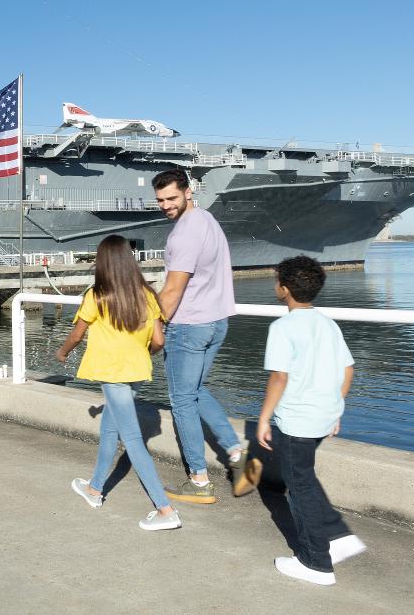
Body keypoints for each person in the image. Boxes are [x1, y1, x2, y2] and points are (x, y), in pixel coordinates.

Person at [55, 235, 181, 531]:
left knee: (133, 441)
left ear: (102, 263)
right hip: (137, 372)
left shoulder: (97, 295)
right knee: (109, 428)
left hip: (112, 374)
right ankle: (95, 489)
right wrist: (139, 354)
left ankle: (165, 509)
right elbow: (159, 341)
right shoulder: (147, 295)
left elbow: (77, 334)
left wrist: (61, 352)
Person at [253, 255, 361, 586]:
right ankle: (337, 537)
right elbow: (348, 370)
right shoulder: (328, 323)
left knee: (299, 487)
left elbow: (279, 378)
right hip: (323, 417)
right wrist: (335, 408)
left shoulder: (282, 327)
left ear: (283, 289)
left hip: (296, 421)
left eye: (276, 281)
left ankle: (317, 563)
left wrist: (263, 418)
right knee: (305, 479)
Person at [152, 169, 246, 505]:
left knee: (181, 401)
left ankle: (199, 479)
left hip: (189, 325)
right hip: (217, 321)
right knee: (195, 390)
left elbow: (174, 288)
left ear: (188, 192)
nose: (166, 205)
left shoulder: (184, 234)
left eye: (172, 198)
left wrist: (154, 326)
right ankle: (236, 453)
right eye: (161, 200)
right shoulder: (207, 219)